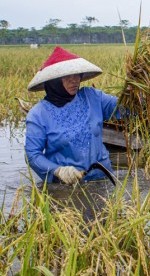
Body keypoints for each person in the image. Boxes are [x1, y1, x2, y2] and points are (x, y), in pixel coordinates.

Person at [25, 46, 119, 185]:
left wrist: (134, 95)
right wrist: (57, 170)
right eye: (67, 77)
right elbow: (33, 155)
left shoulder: (92, 97)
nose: (74, 80)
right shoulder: (38, 115)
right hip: (67, 184)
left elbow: (122, 108)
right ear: (53, 81)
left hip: (103, 178)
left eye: (77, 75)